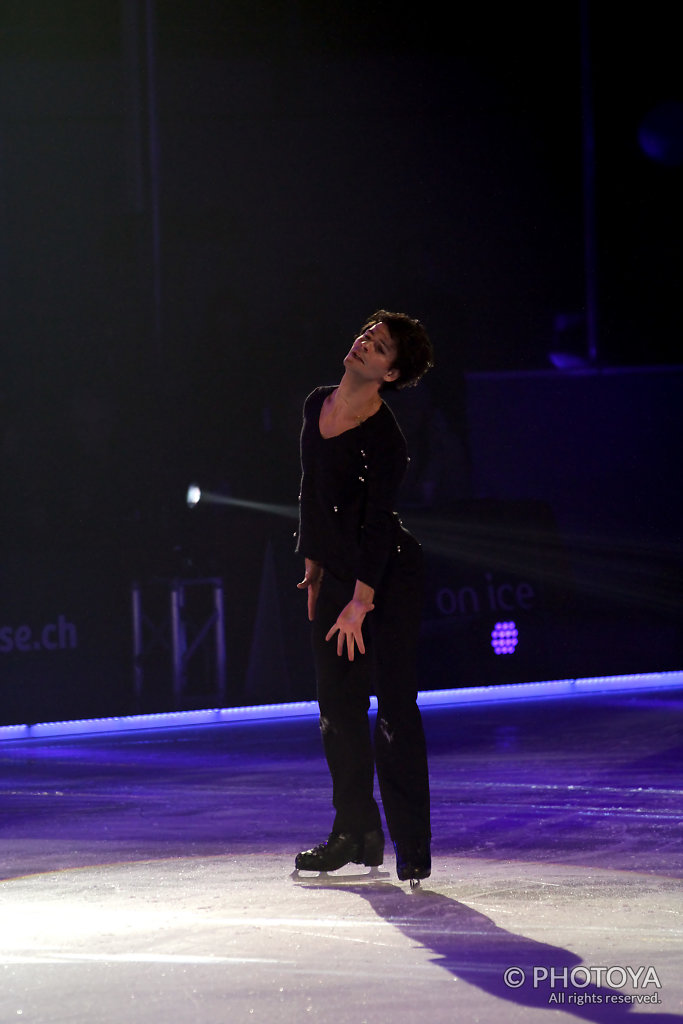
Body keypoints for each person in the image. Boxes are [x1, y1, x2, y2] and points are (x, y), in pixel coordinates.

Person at [294, 309, 434, 882]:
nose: (363, 344)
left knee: (394, 710)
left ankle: (413, 845)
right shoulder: (316, 404)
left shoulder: (385, 438)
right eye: (366, 335)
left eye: (378, 348)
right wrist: (313, 566)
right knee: (337, 710)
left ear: (391, 375)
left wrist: (360, 602)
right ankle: (355, 831)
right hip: (336, 577)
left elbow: (378, 525)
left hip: (387, 582)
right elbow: (311, 486)